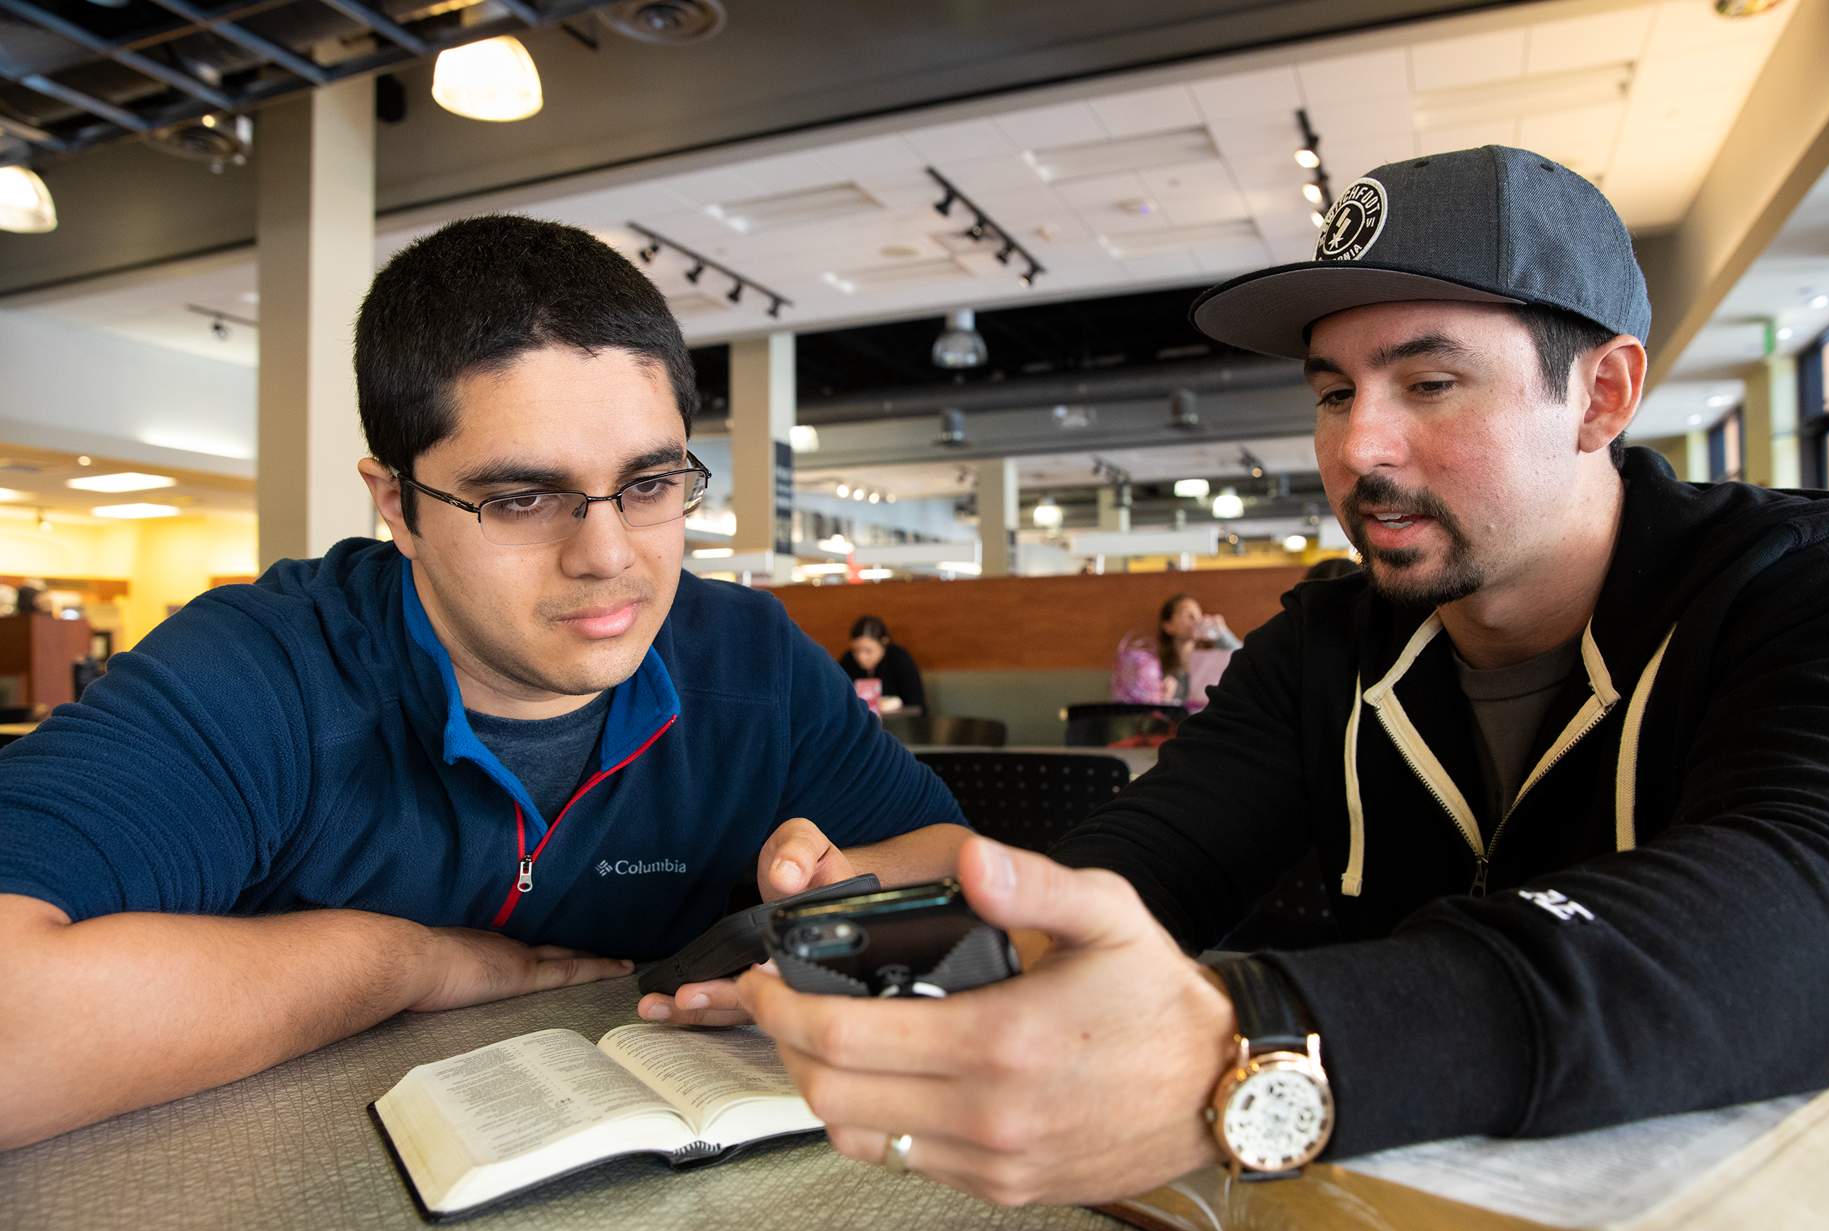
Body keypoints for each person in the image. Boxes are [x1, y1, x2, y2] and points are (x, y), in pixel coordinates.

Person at [737, 146, 1829, 1205]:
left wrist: (1260, 1041)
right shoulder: (1327, 644)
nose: (1357, 449)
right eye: (1334, 390)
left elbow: (1828, 906)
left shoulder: (1821, 589)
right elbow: (1148, 865)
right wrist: (880, 944)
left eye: (1428, 382)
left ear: (1599, 394)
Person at [0, 215, 970, 1150]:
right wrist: (403, 961)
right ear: (398, 506)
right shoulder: (260, 671)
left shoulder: (747, 659)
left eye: (650, 484)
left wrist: (814, 931)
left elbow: (961, 887)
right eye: (520, 497)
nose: (608, 556)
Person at [1111, 594, 1240, 711]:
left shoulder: (1210, 660)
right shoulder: (1153, 666)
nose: (1197, 620)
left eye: (1198, 615)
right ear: (1168, 626)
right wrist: (1163, 699)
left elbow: (1242, 660)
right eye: (1189, 615)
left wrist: (1223, 634)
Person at [838, 615, 927, 713]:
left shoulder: (899, 659)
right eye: (856, 650)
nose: (861, 657)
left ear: (884, 642)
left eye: (868, 651)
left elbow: (917, 706)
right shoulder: (848, 660)